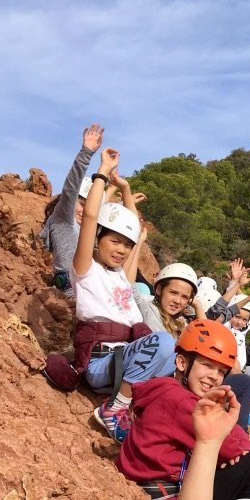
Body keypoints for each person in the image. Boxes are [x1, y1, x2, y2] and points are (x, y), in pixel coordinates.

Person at [70, 148, 178, 442]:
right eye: (114, 241)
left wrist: (126, 189)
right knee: (165, 341)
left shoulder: (120, 275)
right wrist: (103, 171)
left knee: (179, 359)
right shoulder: (86, 268)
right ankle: (114, 409)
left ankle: (143, 414)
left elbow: (132, 225)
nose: (121, 249)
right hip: (100, 362)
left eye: (126, 246)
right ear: (98, 239)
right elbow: (91, 217)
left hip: (124, 362)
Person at [117, 319, 250, 500]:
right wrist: (243, 446)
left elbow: (224, 433)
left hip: (155, 488)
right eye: (207, 365)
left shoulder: (167, 390)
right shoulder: (181, 401)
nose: (214, 376)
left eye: (221, 371)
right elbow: (228, 447)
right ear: (181, 363)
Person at [40, 123, 103, 295]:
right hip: (72, 294)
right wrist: (86, 153)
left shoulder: (86, 230)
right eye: (82, 204)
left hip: (91, 291)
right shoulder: (64, 220)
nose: (85, 210)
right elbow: (71, 188)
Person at [135, 262, 199, 338]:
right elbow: (129, 287)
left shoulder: (181, 324)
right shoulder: (146, 308)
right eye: (173, 293)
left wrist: (198, 306)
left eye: (184, 297)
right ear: (159, 289)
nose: (177, 301)